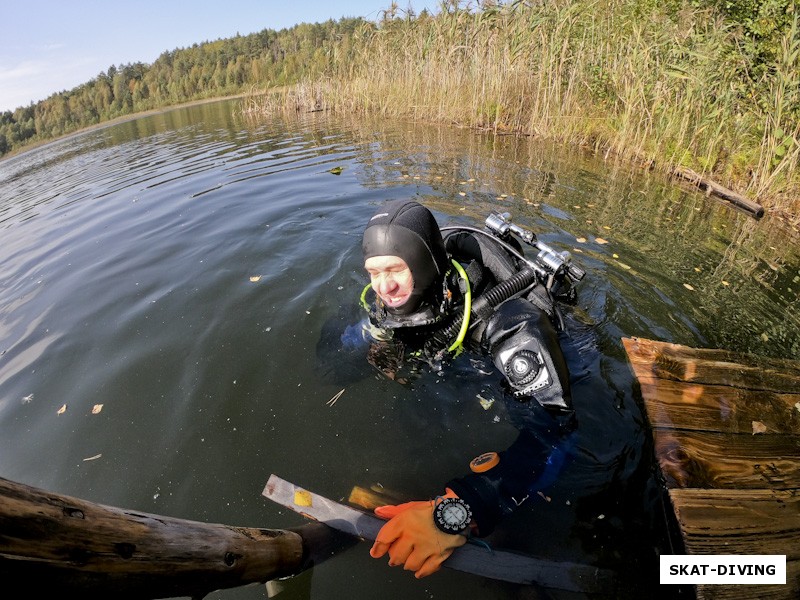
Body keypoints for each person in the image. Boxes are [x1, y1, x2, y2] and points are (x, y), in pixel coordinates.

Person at [358, 199, 585, 579]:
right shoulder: (382, 303)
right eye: (373, 272)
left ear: (424, 265)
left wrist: (461, 510)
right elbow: (340, 352)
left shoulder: (513, 328)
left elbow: (558, 432)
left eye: (396, 269)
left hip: (553, 360)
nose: (385, 286)